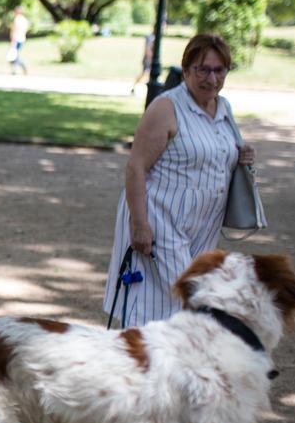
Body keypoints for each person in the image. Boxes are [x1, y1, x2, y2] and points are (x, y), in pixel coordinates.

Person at [103, 33, 254, 327]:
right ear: (185, 70)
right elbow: (135, 168)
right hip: (160, 219)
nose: (211, 79)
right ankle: (144, 367)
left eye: (219, 70)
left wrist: (243, 156)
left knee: (188, 300)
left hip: (203, 225)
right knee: (165, 302)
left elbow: (219, 156)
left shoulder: (223, 108)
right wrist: (139, 224)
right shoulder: (166, 108)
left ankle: (176, 368)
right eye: (203, 69)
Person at [8, 6, 29, 75]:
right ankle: (14, 70)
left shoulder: (17, 19)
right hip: (22, 39)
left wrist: (13, 40)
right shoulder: (24, 20)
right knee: (15, 55)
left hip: (16, 39)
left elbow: (14, 30)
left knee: (14, 56)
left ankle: (21, 67)